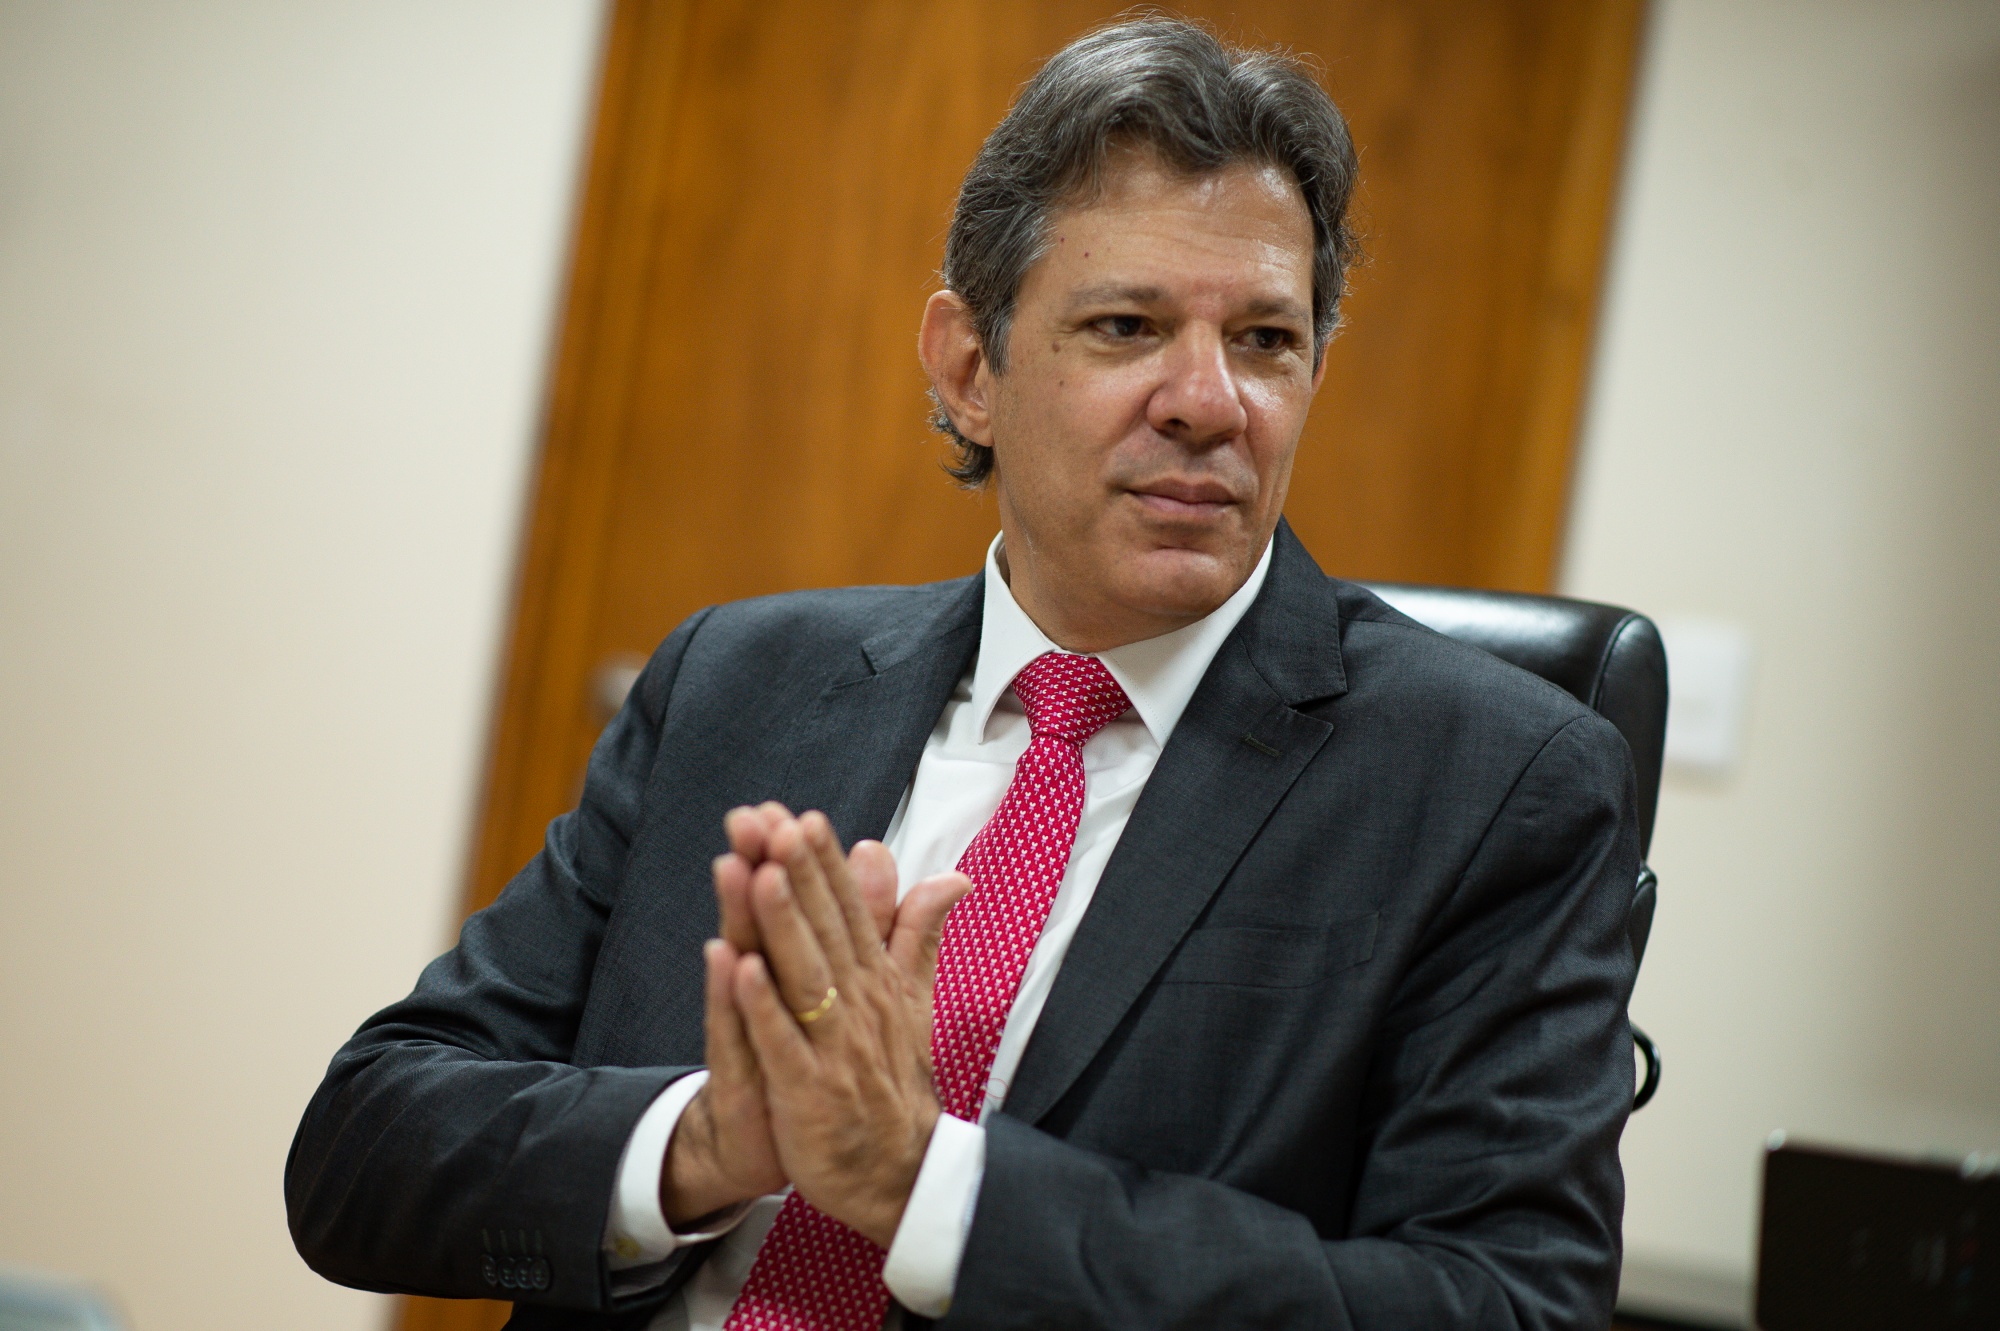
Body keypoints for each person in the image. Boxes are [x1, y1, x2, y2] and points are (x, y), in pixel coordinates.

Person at [287, 17, 1639, 1331]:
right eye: (1127, 326)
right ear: (968, 369)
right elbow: (365, 1149)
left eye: (1267, 341)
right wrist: (704, 1144)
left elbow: (1504, 1302)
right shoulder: (736, 682)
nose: (1209, 400)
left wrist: (925, 1189)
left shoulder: (1491, 784)